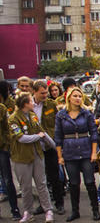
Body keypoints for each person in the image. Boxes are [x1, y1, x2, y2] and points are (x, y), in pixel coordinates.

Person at [54, 87, 100, 221]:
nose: (78, 98)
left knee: (90, 181)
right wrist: (60, 156)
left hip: (85, 150)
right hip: (70, 152)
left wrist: (94, 152)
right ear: (69, 98)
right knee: (74, 183)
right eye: (75, 96)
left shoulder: (86, 113)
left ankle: (95, 210)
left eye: (80, 96)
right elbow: (58, 136)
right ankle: (75, 211)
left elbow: (94, 133)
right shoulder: (61, 115)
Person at [10, 92, 56, 223]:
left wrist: (55, 146)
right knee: (25, 186)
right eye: (31, 101)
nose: (33, 103)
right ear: (25, 104)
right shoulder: (13, 119)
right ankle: (28, 212)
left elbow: (42, 131)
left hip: (37, 154)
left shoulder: (32, 115)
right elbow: (21, 138)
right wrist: (38, 137)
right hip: (22, 157)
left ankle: (48, 210)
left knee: (41, 183)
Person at [32, 81, 65, 214]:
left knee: (54, 176)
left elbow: (58, 124)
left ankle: (59, 203)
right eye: (42, 93)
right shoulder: (28, 105)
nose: (45, 95)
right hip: (35, 147)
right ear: (34, 92)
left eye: (46, 92)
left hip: (50, 145)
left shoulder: (51, 104)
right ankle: (43, 204)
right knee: (40, 179)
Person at [0, 81, 22, 220]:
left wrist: (6, 145)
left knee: (7, 179)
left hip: (2, 148)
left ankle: (15, 210)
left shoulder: (2, 108)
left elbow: (7, 129)